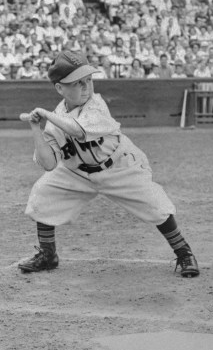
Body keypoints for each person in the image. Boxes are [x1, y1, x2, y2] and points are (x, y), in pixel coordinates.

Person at [17, 50, 199, 278]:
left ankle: (184, 253)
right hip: (77, 173)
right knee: (42, 193)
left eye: (88, 80)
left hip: (119, 166)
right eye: (78, 83)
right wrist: (36, 128)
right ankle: (47, 255)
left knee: (156, 205)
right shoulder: (54, 121)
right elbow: (48, 164)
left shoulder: (96, 105)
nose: (86, 87)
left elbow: (78, 130)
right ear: (60, 88)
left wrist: (45, 114)